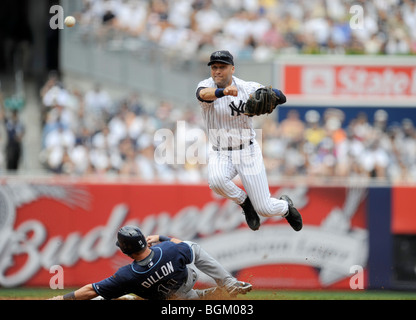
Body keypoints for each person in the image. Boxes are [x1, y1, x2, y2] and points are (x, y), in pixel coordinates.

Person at [195, 50, 302, 231]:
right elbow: (202, 95)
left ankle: (285, 207)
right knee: (216, 181)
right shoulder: (206, 86)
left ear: (232, 69)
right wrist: (223, 91)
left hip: (247, 151)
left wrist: (271, 98)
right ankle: (245, 203)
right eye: (214, 67)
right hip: (221, 151)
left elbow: (281, 97)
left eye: (222, 67)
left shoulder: (246, 88)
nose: (217, 71)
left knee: (265, 208)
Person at [49, 225, 252, 300]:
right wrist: (162, 238)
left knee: (105, 296)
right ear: (143, 239)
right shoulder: (170, 249)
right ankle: (227, 283)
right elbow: (182, 245)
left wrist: (63, 298)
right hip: (187, 281)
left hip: (164, 297)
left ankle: (199, 297)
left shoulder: (127, 274)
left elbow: (92, 290)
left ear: (127, 251)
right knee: (193, 249)